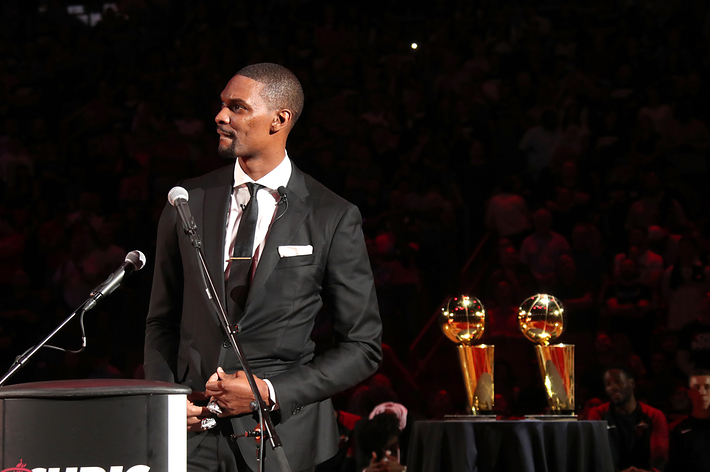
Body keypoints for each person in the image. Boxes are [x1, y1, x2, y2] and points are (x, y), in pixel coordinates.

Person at [143, 63, 383, 472]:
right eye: (222, 105)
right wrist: (167, 397)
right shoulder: (186, 202)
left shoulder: (332, 216)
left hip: (283, 439)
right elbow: (160, 322)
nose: (221, 117)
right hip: (192, 435)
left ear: (279, 119)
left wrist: (267, 391)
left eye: (237, 108)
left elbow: (362, 346)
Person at [588, 365, 668, 472]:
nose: (613, 387)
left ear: (632, 383)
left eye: (618, 381)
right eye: (608, 384)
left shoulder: (654, 415)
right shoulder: (598, 414)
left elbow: (660, 455)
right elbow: (596, 454)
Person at [668, 370, 710, 471]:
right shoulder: (680, 430)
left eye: (707, 387)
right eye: (696, 388)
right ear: (689, 392)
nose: (702, 392)